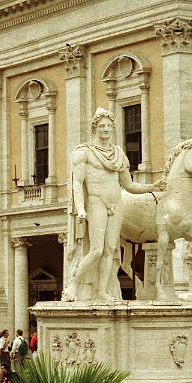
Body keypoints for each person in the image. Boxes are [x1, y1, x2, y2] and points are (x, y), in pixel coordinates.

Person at [64, 107, 165, 301]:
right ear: (95, 128)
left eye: (109, 126)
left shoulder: (119, 154)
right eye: (102, 126)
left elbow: (129, 185)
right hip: (96, 202)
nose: (106, 130)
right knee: (96, 250)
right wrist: (80, 209)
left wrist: (152, 186)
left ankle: (102, 290)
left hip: (116, 203)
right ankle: (72, 285)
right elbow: (77, 183)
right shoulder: (84, 153)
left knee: (110, 250)